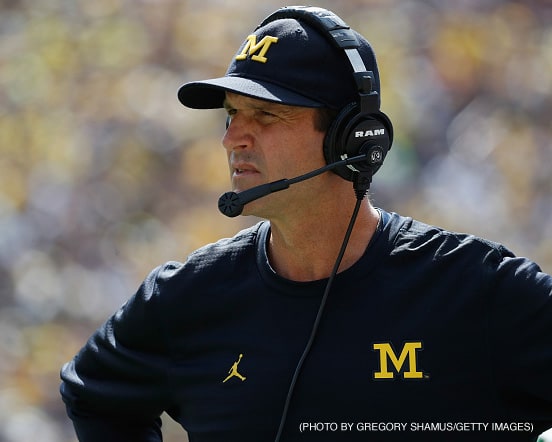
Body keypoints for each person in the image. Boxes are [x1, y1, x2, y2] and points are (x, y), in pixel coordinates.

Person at [60, 6, 552, 442]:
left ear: (353, 138)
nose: (233, 138)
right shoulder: (187, 298)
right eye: (231, 114)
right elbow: (92, 393)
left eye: (266, 116)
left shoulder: (474, 290)